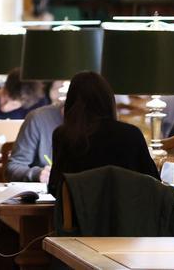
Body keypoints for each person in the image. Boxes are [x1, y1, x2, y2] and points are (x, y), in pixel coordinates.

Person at [49, 71, 158, 200]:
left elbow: (55, 187)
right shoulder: (131, 134)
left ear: (71, 101)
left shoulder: (63, 135)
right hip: (127, 211)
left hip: (80, 212)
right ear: (108, 100)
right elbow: (154, 183)